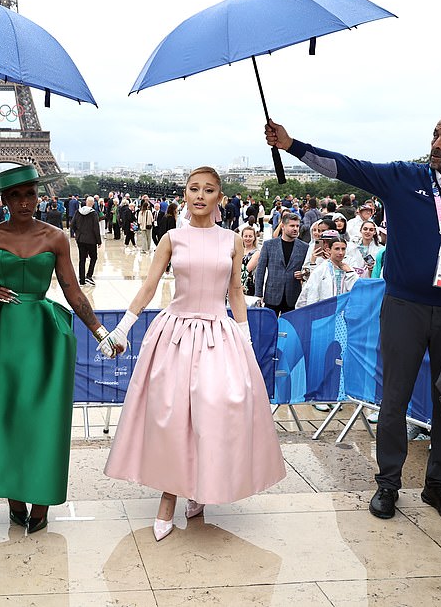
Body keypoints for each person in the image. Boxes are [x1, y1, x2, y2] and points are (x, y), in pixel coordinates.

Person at [266, 111, 441, 526]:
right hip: (404, 306)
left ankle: (439, 486)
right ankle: (388, 484)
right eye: (435, 134)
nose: (436, 143)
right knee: (395, 398)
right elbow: (346, 167)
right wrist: (292, 145)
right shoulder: (404, 179)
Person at [101, 166, 286, 541]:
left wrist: (246, 337)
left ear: (220, 197)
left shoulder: (232, 241)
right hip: (176, 336)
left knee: (214, 412)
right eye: (193, 189)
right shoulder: (172, 237)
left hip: (219, 334)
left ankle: (202, 488)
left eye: (209, 190)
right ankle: (168, 498)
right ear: (185, 194)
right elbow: (150, 285)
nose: (200, 195)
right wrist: (122, 328)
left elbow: (235, 291)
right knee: (173, 417)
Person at [0, 165, 115, 535]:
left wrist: (99, 331)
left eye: (29, 194)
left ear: (38, 196)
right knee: (5, 415)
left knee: (43, 418)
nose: (24, 202)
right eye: (16, 196)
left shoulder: (56, 237)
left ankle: (41, 499)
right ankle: (14, 495)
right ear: (5, 200)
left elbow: (72, 290)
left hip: (42, 338)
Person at [251, 212, 309, 315]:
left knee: (289, 329)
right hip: (272, 295)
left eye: (297, 226)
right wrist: (258, 295)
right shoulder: (269, 245)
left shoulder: (304, 247)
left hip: (293, 296)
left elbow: (308, 269)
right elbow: (260, 271)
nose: (295, 229)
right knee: (269, 328)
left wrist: (303, 274)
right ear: (283, 226)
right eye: (292, 226)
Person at [297, 231, 359, 307]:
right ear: (329, 250)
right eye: (337, 249)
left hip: (344, 309)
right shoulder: (321, 269)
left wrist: (350, 272)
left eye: (343, 249)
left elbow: (356, 290)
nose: (340, 252)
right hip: (326, 311)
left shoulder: (349, 266)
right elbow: (310, 293)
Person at [71, 196, 101, 286]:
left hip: (81, 239)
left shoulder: (78, 212)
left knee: (82, 259)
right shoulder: (93, 214)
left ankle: (82, 280)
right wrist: (99, 241)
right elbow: (96, 228)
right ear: (93, 203)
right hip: (91, 239)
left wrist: (77, 232)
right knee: (94, 257)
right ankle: (89, 275)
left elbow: (72, 224)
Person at [240, 224, 260, 297]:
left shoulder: (257, 253)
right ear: (242, 237)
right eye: (245, 236)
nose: (248, 238)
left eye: (250, 236)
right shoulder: (238, 250)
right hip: (235, 284)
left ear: (254, 238)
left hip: (248, 285)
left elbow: (247, 270)